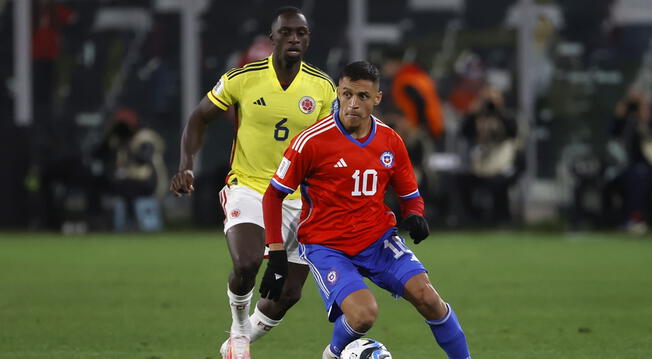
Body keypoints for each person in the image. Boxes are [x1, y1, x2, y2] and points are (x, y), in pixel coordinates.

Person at [259, 61, 471, 359]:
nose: (353, 104)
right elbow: (272, 197)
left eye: (362, 96)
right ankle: (334, 354)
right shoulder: (311, 141)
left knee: (429, 298)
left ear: (377, 99)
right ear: (337, 93)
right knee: (363, 315)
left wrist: (416, 215)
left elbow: (410, 194)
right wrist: (277, 251)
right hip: (327, 245)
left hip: (377, 239)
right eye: (346, 95)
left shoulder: (390, 141)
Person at [169, 6, 336, 359]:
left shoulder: (322, 88)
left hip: (297, 198)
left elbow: (331, 144)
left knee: (288, 294)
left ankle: (238, 345)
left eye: (301, 34)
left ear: (308, 40)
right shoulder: (242, 78)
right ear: (272, 37)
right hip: (249, 186)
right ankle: (238, 327)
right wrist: (186, 164)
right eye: (287, 32)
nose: (294, 38)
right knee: (247, 263)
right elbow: (198, 118)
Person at [457, 86, 523, 225]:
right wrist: (472, 112)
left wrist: (499, 109)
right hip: (481, 164)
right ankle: (472, 218)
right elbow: (464, 132)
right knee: (461, 182)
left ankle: (501, 219)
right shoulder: (478, 117)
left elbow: (513, 131)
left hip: (502, 163)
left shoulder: (506, 116)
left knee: (499, 183)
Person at [607, 90, 652, 233]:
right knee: (637, 174)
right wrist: (626, 103)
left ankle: (637, 217)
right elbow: (613, 130)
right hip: (633, 168)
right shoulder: (630, 123)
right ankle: (633, 218)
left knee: (641, 174)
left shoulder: (647, 122)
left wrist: (645, 110)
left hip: (646, 168)